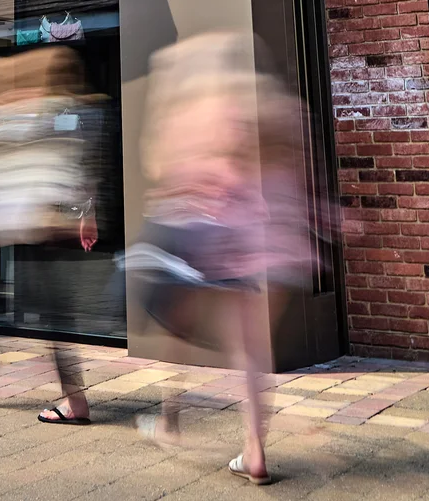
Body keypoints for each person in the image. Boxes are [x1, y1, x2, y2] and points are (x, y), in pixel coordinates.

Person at [129, 32, 315, 486]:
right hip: (256, 241)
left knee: (173, 326)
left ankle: (170, 421)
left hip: (201, 240)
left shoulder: (190, 111)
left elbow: (158, 168)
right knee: (252, 349)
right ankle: (254, 449)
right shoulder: (265, 107)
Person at [0, 45, 103, 426]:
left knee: (45, 315)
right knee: (19, 309)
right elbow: (80, 167)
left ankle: (73, 400)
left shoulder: (25, 114)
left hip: (29, 225)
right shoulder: (64, 113)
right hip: (31, 224)